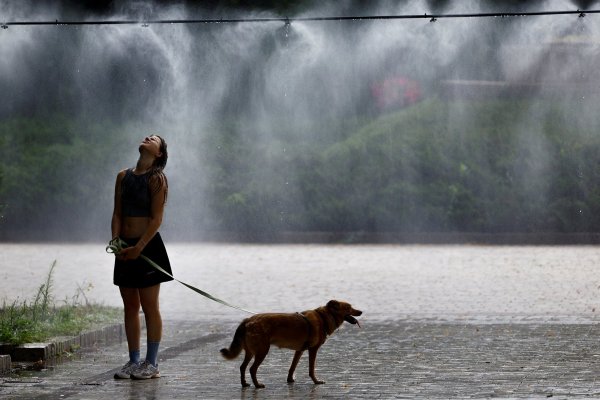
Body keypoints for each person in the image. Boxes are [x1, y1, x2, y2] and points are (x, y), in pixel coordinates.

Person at [110, 135, 173, 380]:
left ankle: (152, 363)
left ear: (158, 153)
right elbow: (117, 213)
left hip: (147, 247)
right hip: (124, 247)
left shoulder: (157, 179)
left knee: (149, 307)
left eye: (154, 139)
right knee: (130, 307)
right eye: (148, 136)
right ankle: (134, 361)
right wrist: (116, 240)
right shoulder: (123, 176)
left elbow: (157, 219)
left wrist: (140, 248)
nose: (148, 138)